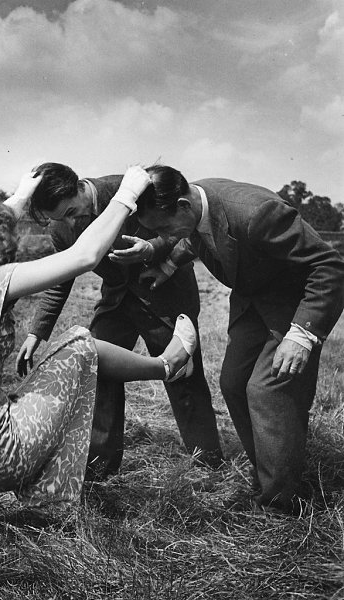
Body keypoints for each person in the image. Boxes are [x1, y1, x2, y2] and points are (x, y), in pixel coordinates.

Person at [0, 165, 198, 513]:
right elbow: (83, 257)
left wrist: (22, 195)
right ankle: (167, 365)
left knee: (71, 358)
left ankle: (50, 496)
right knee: (80, 343)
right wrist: (127, 193)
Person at [124, 165, 344, 514]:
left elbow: (329, 267)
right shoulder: (192, 205)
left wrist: (302, 335)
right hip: (251, 298)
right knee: (233, 382)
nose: (163, 237)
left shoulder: (257, 213)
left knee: (268, 390)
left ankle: (280, 504)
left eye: (163, 228)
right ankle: (269, 471)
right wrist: (167, 267)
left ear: (182, 206)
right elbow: (191, 238)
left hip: (293, 302)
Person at [16, 163, 223, 480]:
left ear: (80, 187)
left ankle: (208, 464)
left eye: (71, 211)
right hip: (116, 299)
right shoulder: (60, 228)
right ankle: (100, 467)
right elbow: (61, 277)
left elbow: (181, 229)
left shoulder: (131, 188)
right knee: (97, 368)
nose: (70, 222)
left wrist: (152, 249)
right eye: (59, 218)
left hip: (164, 292)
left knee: (183, 375)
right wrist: (36, 332)